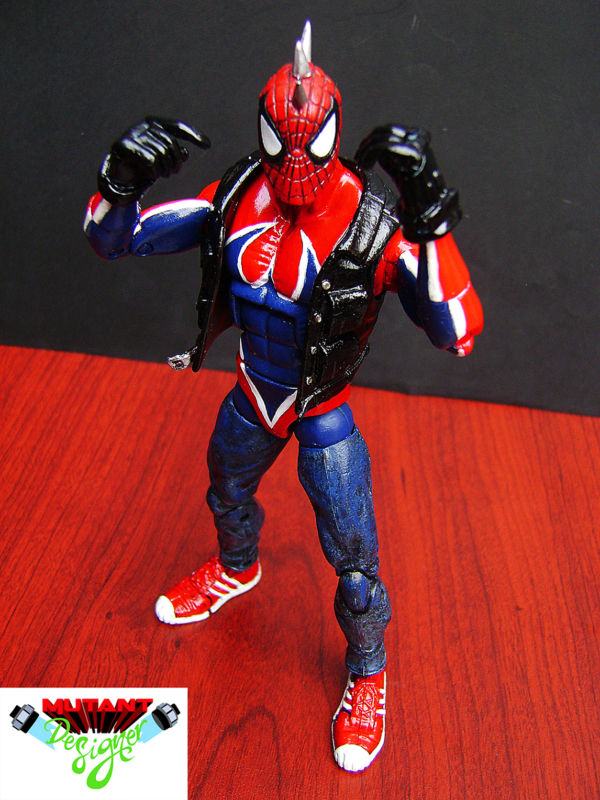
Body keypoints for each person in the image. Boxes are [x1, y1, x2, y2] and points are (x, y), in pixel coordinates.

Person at [84, 21, 483, 772]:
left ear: (334, 134)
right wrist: (118, 180)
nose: (295, 164)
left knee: (355, 560)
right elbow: (117, 240)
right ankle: (238, 567)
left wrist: (431, 220)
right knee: (225, 488)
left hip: (322, 409)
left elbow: (457, 331)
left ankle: (369, 673)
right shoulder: (238, 196)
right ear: (263, 132)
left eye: (311, 144)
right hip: (253, 390)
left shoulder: (371, 224)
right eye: (280, 143)